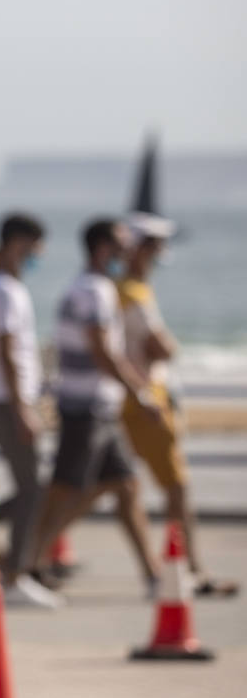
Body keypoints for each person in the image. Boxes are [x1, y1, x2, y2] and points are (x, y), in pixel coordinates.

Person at [23, 218, 161, 595]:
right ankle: (27, 563)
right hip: (86, 407)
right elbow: (104, 352)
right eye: (120, 245)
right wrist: (140, 394)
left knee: (126, 485)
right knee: (68, 489)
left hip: (97, 406)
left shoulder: (87, 287)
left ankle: (153, 574)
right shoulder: (95, 291)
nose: (126, 252)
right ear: (102, 248)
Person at [118, 212, 238, 597]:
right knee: (176, 490)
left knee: (109, 486)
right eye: (152, 246)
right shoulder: (132, 292)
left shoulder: (129, 289)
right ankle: (189, 569)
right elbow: (160, 346)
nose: (158, 253)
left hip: (138, 401)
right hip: (147, 403)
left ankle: (32, 557)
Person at [0, 213, 62, 607]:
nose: (34, 256)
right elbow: (7, 351)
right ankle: (15, 574)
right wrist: (25, 408)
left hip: (9, 400)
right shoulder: (3, 290)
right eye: (29, 248)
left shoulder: (1, 286)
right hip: (7, 402)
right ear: (11, 245)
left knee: (31, 488)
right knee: (32, 489)